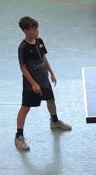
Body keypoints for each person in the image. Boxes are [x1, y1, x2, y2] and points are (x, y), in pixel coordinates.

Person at [15, 16, 70, 152]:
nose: (37, 31)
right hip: (30, 83)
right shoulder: (23, 47)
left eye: (37, 29)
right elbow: (23, 68)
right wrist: (33, 84)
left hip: (44, 79)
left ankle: (54, 121)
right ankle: (19, 136)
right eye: (34, 29)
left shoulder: (39, 42)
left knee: (51, 100)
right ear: (26, 31)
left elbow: (44, 58)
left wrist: (51, 73)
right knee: (25, 108)